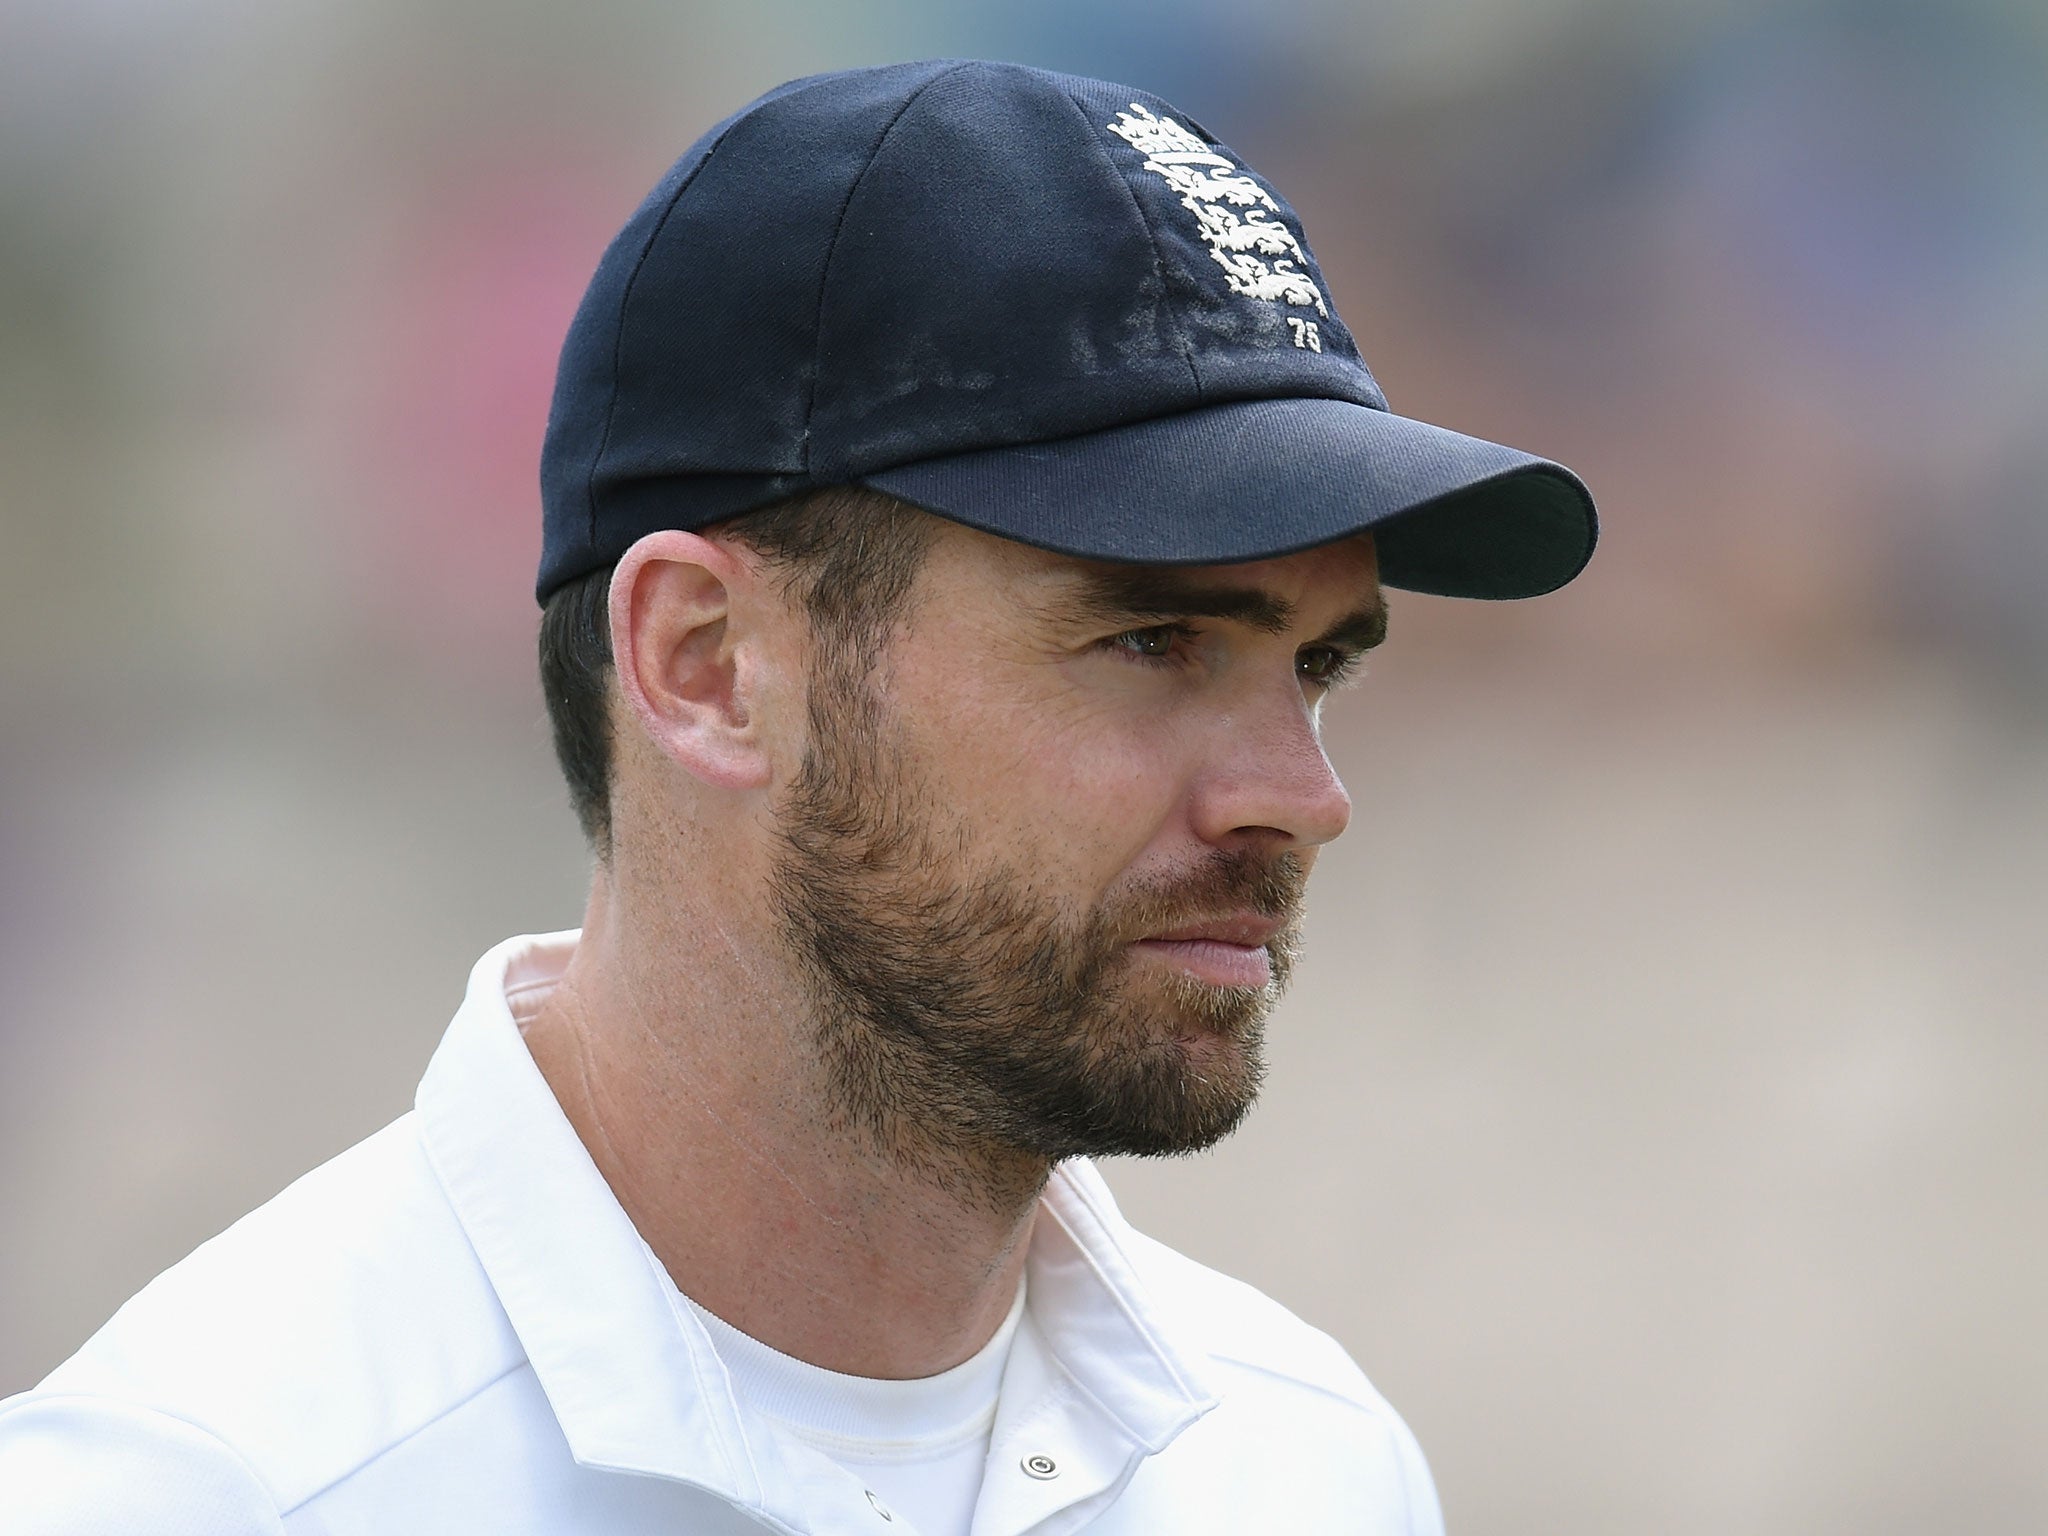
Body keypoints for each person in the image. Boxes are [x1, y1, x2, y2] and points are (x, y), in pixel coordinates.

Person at [0, 60, 1594, 1534]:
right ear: (704, 665)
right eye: (1152, 638)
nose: (1301, 797)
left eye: (1316, 667)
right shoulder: (211, 1489)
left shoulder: (1305, 1467)